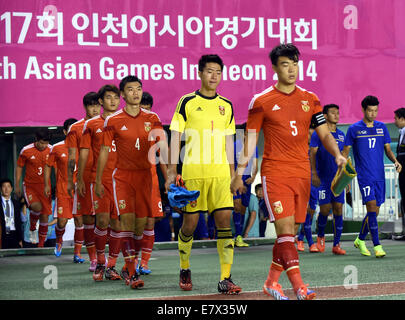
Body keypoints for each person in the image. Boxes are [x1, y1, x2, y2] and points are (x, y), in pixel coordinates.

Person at [231, 43, 346, 300]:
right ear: (274, 68)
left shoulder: (311, 99)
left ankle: (271, 282)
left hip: (302, 174)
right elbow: (250, 140)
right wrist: (239, 172)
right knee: (285, 232)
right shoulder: (261, 101)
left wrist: (338, 154)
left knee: (290, 233)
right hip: (275, 173)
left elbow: (324, 133)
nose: (292, 69)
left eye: (295, 63)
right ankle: (299, 287)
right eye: (285, 64)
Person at [165, 54, 242, 295]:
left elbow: (230, 143)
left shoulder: (227, 105)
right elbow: (175, 137)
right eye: (209, 71)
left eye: (218, 72)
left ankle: (225, 278)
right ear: (200, 73)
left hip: (220, 175)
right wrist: (171, 171)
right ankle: (185, 267)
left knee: (224, 223)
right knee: (190, 224)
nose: (214, 76)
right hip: (193, 174)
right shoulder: (186, 102)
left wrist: (234, 174)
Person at [95, 75, 168, 290]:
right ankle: (132, 270)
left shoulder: (153, 117)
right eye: (130, 89)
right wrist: (99, 180)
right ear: (123, 95)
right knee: (126, 225)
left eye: (138, 88)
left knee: (139, 228)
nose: (135, 92)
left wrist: (169, 175)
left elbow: (162, 149)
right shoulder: (112, 120)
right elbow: (104, 152)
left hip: (146, 178)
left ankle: (130, 265)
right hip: (123, 179)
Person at [343, 95, 401, 258]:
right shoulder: (354, 129)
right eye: (370, 110)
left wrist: (395, 161)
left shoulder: (382, 128)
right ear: (363, 110)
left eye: (376, 110)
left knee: (374, 212)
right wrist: (345, 174)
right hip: (364, 176)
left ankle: (360, 239)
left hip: (379, 176)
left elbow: (388, 150)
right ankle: (377, 245)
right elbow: (345, 153)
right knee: (371, 207)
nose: (373, 113)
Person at [78, 84, 122, 281]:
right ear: (101, 102)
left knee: (118, 225)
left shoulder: (125, 121)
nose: (113, 101)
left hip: (122, 181)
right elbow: (84, 153)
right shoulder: (92, 124)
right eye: (108, 98)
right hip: (100, 180)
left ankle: (112, 266)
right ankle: (99, 262)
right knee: (102, 221)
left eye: (116, 97)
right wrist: (81, 179)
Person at [66, 92, 101, 268]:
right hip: (85, 180)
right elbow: (72, 158)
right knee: (87, 220)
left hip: (106, 178)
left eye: (97, 105)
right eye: (90, 105)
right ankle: (93, 259)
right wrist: (70, 181)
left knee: (108, 219)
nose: (94, 109)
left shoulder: (108, 124)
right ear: (85, 107)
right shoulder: (75, 128)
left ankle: (109, 258)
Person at [138, 91, 168, 275]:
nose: (145, 112)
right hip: (128, 179)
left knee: (150, 221)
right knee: (133, 223)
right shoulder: (122, 122)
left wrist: (168, 179)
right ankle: (127, 263)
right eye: (143, 108)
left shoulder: (154, 123)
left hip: (151, 179)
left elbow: (162, 154)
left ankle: (144, 263)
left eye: (148, 108)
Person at [310, 104, 347, 255]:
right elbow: (312, 154)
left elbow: (344, 156)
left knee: (338, 209)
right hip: (323, 179)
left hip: (338, 179)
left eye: (338, 113)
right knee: (325, 210)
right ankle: (320, 237)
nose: (337, 115)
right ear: (325, 116)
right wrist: (314, 173)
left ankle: (337, 245)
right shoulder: (317, 134)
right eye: (333, 113)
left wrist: (345, 178)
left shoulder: (342, 135)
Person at [44, 118, 78, 257]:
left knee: (80, 222)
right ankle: (59, 240)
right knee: (62, 222)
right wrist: (47, 184)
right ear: (65, 131)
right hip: (63, 190)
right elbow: (48, 166)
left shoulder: (85, 147)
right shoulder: (56, 148)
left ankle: (77, 254)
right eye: (70, 130)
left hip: (80, 191)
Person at [15, 128, 52, 248]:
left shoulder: (51, 150)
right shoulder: (26, 150)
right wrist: (17, 184)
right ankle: (32, 227)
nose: (43, 146)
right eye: (41, 143)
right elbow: (19, 167)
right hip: (30, 186)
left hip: (45, 186)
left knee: (45, 216)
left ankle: (41, 244)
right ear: (36, 139)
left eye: (46, 143)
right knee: (37, 207)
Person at [233, 128, 258, 247]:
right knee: (237, 206)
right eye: (247, 133)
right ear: (243, 133)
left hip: (248, 180)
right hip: (237, 179)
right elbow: (231, 165)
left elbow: (255, 165)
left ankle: (240, 236)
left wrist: (253, 177)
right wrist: (238, 179)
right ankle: (237, 236)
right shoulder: (235, 146)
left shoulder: (254, 147)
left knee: (243, 208)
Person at [0, 178, 23, 249]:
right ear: (1, 189)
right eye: (4, 186)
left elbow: (18, 221)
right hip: (2, 234)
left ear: (11, 189)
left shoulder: (16, 203)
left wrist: (20, 239)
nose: (6, 189)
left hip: (14, 234)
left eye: (8, 186)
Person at [394, 108, 405, 233]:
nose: (394, 121)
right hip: (402, 174)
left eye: (396, 118)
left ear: (402, 119)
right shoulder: (401, 132)